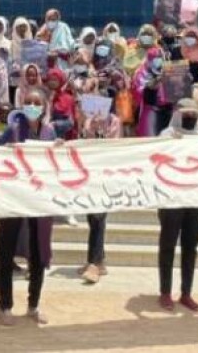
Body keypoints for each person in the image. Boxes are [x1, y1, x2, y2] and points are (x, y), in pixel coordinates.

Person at [0, 90, 56, 325]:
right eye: (28, 102)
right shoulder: (13, 130)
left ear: (44, 106)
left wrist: (59, 149)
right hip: (14, 197)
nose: (32, 106)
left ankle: (33, 305)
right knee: (6, 251)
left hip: (39, 200)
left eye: (37, 102)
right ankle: (4, 306)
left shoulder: (50, 133)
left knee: (38, 253)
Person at [157, 99, 198, 312]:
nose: (189, 118)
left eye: (193, 115)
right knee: (167, 245)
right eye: (186, 114)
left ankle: (186, 293)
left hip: (196, 200)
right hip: (171, 199)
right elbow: (155, 161)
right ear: (178, 115)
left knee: (190, 247)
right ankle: (165, 292)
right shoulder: (166, 136)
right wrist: (170, 146)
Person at [78, 108, 122, 284]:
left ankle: (94, 263)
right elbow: (84, 143)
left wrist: (101, 131)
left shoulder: (114, 121)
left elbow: (112, 146)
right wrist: (88, 126)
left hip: (106, 174)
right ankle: (97, 260)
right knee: (93, 218)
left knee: (98, 216)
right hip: (90, 174)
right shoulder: (88, 121)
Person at [133, 47, 170, 137]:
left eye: (160, 58)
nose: (158, 61)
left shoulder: (168, 70)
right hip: (149, 110)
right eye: (155, 58)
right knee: (149, 137)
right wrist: (154, 83)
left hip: (167, 110)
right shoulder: (141, 72)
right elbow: (139, 91)